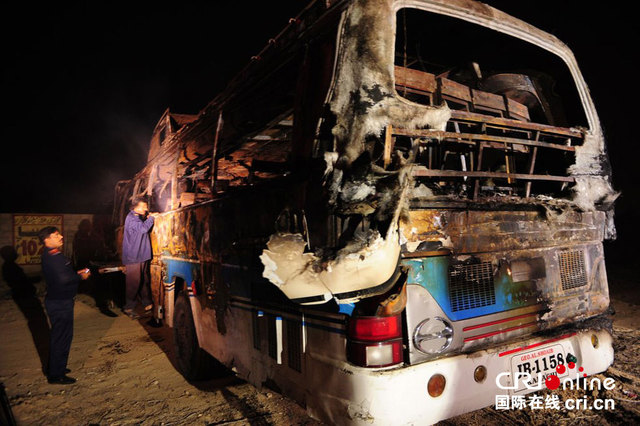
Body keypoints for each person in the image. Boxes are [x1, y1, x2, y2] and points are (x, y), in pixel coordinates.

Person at [39, 226, 90, 385]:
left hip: (59, 301)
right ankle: (56, 375)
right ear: (47, 240)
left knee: (60, 336)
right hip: (60, 303)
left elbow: (63, 275)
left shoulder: (52, 254)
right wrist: (81, 277)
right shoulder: (53, 256)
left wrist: (75, 273)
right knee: (62, 337)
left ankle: (56, 367)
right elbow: (63, 279)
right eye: (56, 235)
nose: (61, 237)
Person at [122, 198, 155, 319]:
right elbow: (143, 229)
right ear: (135, 207)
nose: (146, 209)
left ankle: (147, 303)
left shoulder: (137, 217)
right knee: (134, 283)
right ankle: (128, 307)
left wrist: (148, 218)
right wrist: (151, 218)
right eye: (143, 206)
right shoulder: (132, 218)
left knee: (144, 280)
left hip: (141, 255)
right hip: (134, 256)